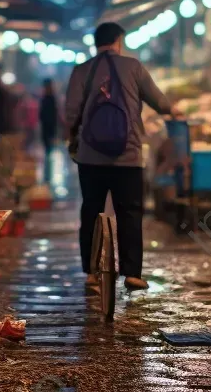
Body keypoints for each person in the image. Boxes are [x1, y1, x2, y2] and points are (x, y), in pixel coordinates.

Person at [65, 21, 174, 292]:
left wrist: (73, 138)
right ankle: (133, 274)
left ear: (95, 43)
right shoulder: (133, 67)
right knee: (130, 212)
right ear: (119, 40)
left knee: (91, 209)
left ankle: (91, 274)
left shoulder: (81, 71)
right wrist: (173, 110)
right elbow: (160, 102)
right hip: (129, 155)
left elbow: (69, 113)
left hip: (91, 157)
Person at [39, 79, 58, 161]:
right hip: (48, 123)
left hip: (48, 123)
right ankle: (48, 155)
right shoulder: (49, 97)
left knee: (48, 141)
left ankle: (48, 155)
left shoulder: (49, 98)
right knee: (48, 141)